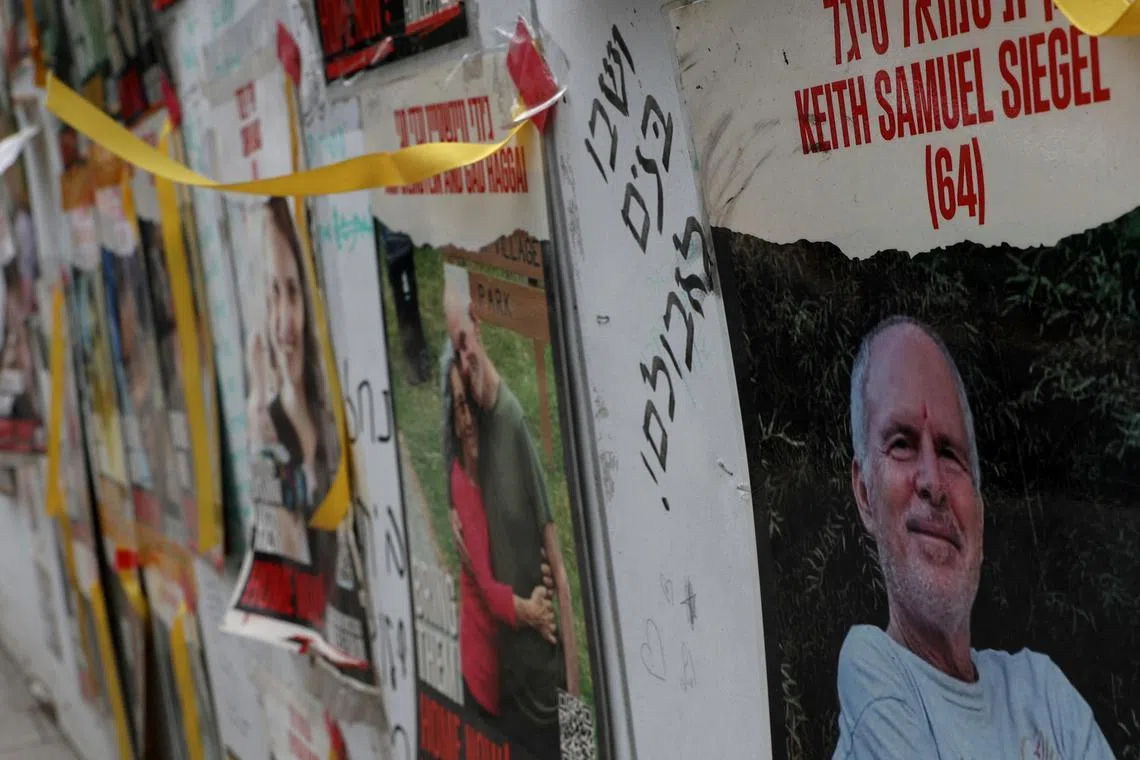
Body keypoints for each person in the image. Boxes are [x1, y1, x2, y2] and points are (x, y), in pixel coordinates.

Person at [833, 315, 1114, 760]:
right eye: (902, 444)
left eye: (950, 453)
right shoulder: (872, 669)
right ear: (865, 493)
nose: (933, 483)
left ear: (980, 513)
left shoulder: (1043, 691)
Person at [442, 275, 579, 756]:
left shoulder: (511, 423)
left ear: (477, 323)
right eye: (454, 353)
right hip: (503, 700)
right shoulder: (469, 430)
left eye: (465, 343)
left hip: (541, 705)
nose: (464, 359)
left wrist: (578, 734)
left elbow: (560, 577)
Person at [446, 358, 557, 721]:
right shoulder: (464, 487)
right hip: (485, 679)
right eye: (458, 407)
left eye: (471, 406)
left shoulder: (495, 467)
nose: (467, 421)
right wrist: (533, 614)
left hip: (516, 673)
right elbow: (489, 589)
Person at [247, 197, 333, 565]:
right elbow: (285, 570)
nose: (282, 326)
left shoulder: (336, 419)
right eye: (273, 294)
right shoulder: (271, 427)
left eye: (293, 292)